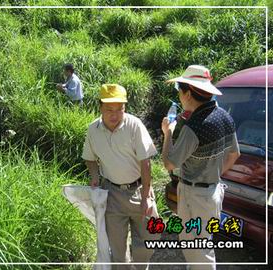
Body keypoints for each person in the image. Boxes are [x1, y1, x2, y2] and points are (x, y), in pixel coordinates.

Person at [161, 65, 241, 270]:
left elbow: (169, 163)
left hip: (194, 195)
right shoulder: (224, 116)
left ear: (188, 93)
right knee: (201, 244)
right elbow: (234, 154)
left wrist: (168, 133)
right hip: (212, 192)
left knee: (197, 249)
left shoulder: (193, 127)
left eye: (180, 91)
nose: (179, 96)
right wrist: (214, 174)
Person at [82, 84, 159, 270]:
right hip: (112, 194)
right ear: (100, 107)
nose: (115, 115)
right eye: (109, 110)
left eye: (120, 109)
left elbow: (145, 162)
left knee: (147, 241)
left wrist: (146, 197)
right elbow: (89, 158)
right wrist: (94, 176)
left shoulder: (134, 125)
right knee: (117, 248)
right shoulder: (93, 129)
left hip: (139, 190)